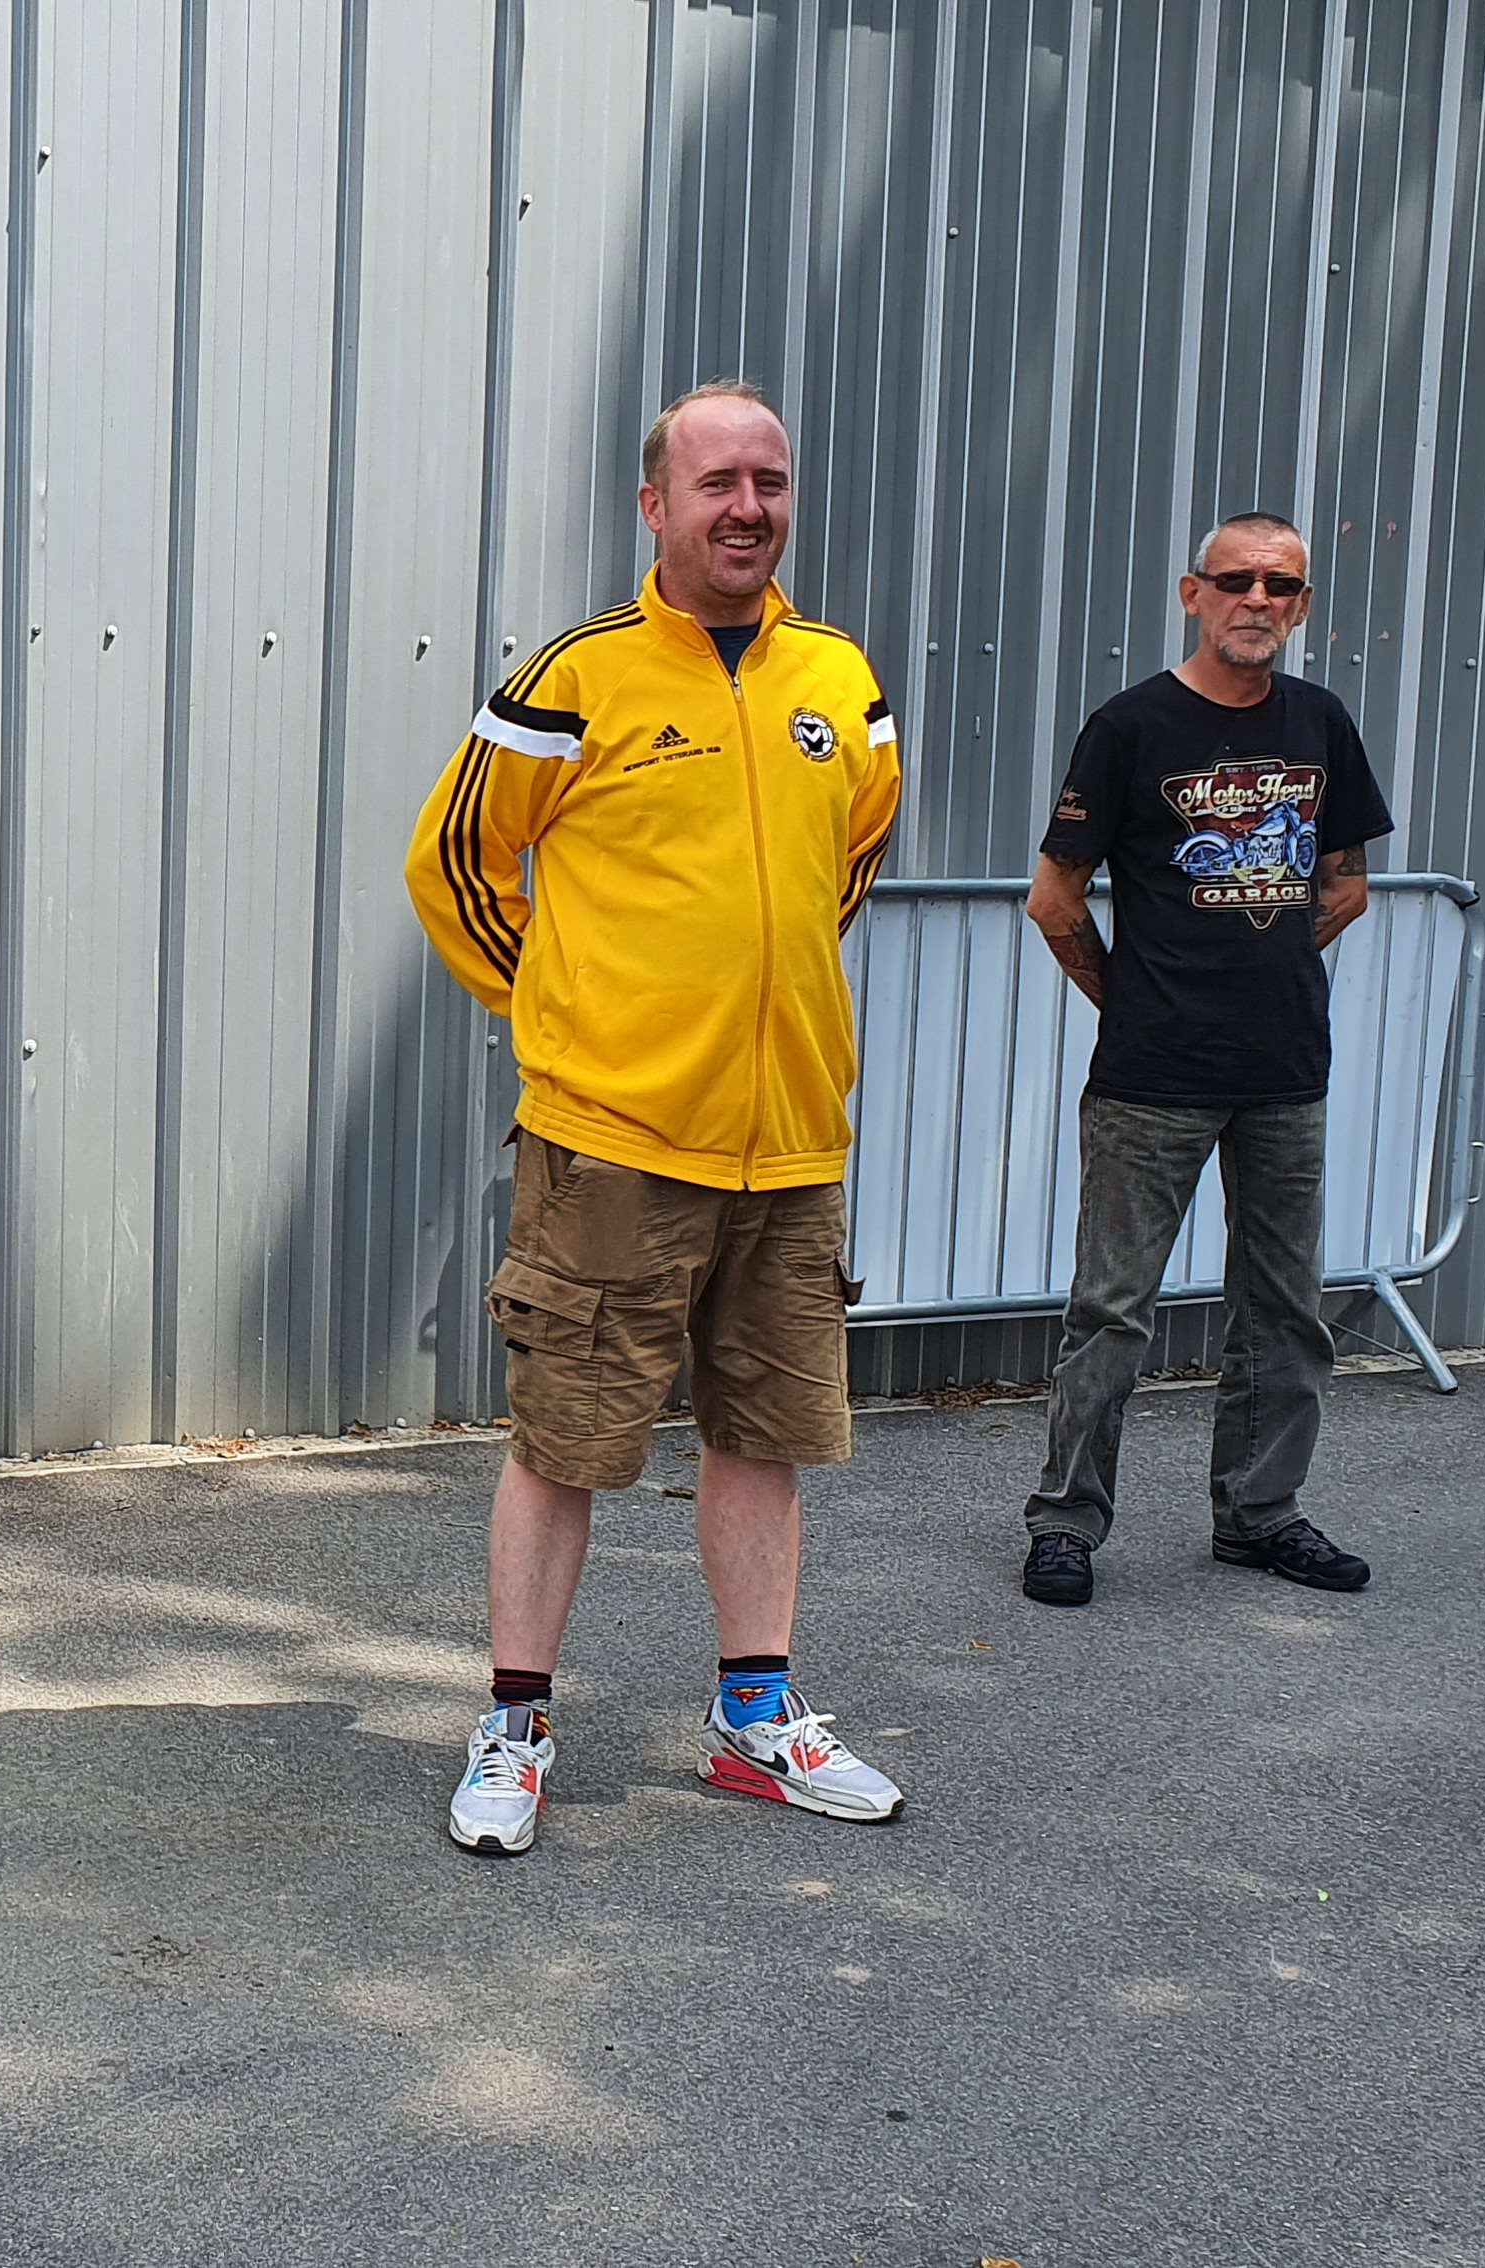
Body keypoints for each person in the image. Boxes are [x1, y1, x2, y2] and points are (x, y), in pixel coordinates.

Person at [402, 382, 907, 1856]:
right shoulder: (579, 678)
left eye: (770, 481)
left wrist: (761, 1005)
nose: (748, 508)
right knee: (565, 1443)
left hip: (790, 1142)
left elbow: (846, 862)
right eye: (716, 484)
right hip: (611, 1144)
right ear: (655, 507)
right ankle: (515, 1727)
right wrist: (572, 1018)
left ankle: (758, 1723)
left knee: (767, 1435)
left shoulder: (840, 680)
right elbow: (456, 865)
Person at [1016, 510, 1392, 1607]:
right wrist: (1138, 998)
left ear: (1303, 605)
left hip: (1285, 1071)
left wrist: (1259, 966)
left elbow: (1347, 883)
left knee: (1285, 1309)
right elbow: (1054, 899)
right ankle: (1065, 1523)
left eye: (1280, 585)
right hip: (1153, 1078)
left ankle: (1261, 1515)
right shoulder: (1130, 727)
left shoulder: (1321, 722)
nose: (1256, 600)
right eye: (1236, 581)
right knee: (1113, 1310)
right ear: (1194, 593)